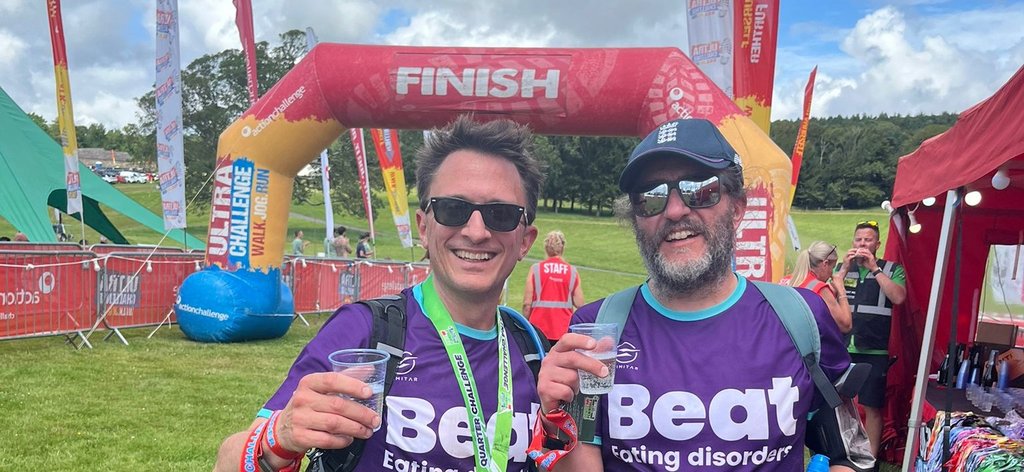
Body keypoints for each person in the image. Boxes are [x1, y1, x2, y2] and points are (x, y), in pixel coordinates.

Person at [213, 115, 544, 472]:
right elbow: (229, 462)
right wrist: (279, 437)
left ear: (525, 240)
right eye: (453, 209)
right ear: (423, 226)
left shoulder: (535, 350)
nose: (476, 231)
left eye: (501, 214)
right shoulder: (365, 330)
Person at [533, 118, 852, 471]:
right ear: (636, 218)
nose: (674, 210)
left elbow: (851, 453)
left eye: (700, 189)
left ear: (738, 209)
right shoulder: (597, 329)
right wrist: (555, 414)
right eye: (651, 196)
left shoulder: (801, 318)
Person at [835, 220, 906, 457]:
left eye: (868, 240)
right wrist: (843, 270)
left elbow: (898, 298)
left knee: (872, 406)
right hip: (842, 345)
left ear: (877, 243)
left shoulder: (891, 268)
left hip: (874, 348)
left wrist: (875, 269)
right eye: (858, 239)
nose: (862, 244)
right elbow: (826, 295)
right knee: (839, 402)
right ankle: (843, 450)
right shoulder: (840, 268)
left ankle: (871, 459)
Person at [522, 230, 585, 344]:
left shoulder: (536, 269)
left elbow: (527, 304)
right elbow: (580, 304)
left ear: (546, 248)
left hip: (538, 328)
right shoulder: (572, 271)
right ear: (562, 248)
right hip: (563, 329)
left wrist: (525, 326)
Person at [782, 241, 852, 333]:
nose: (831, 274)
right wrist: (841, 290)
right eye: (832, 268)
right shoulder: (820, 288)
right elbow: (845, 325)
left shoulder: (784, 280)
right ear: (825, 264)